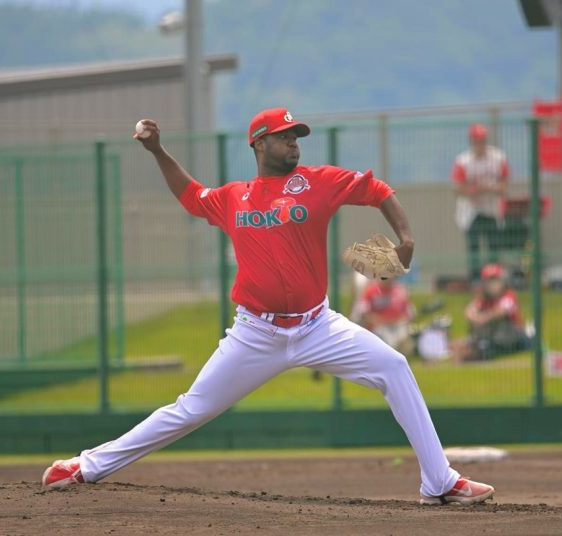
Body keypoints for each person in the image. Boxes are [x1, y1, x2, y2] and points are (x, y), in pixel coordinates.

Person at [40, 108, 494, 505]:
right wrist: (158, 152)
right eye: (284, 135)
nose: (293, 141)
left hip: (319, 326)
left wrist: (407, 239)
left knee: (394, 367)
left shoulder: (317, 182)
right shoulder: (234, 197)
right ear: (259, 143)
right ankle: (87, 466)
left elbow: (376, 190)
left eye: (296, 135)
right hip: (255, 333)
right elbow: (191, 195)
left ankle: (440, 482)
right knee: (191, 409)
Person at [451, 123, 510, 281]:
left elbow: (504, 184)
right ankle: (476, 279)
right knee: (474, 245)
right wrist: (476, 190)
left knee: (494, 244)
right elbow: (458, 187)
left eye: (482, 140)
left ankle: (494, 277)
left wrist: (491, 188)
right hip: (471, 210)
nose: (480, 144)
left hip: (491, 208)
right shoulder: (463, 161)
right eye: (477, 140)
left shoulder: (498, 157)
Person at [450, 263, 529, 362]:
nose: (492, 284)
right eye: (488, 280)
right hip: (491, 337)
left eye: (494, 279)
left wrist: (480, 318)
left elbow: (499, 313)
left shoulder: (509, 295)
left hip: (513, 337)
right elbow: (468, 312)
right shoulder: (484, 298)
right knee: (457, 345)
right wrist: (478, 317)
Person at [354, 277, 416, 354]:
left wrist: (400, 321)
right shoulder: (371, 290)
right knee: (386, 340)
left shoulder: (401, 290)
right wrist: (376, 320)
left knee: (404, 338)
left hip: (397, 326)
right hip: (378, 327)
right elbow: (362, 314)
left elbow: (410, 314)